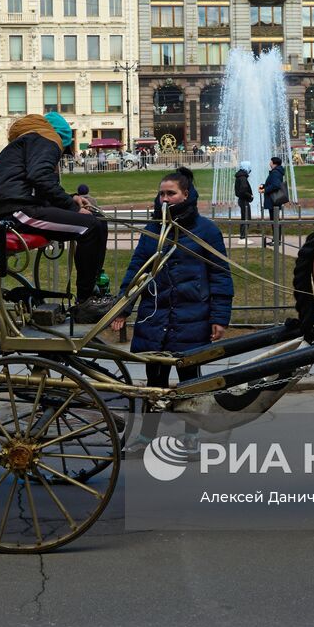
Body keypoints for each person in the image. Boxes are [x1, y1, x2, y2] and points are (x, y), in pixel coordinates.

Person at [112, 169, 233, 455]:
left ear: (186, 195)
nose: (165, 199)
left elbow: (220, 275)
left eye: (171, 193)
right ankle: (146, 437)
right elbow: (136, 272)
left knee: (191, 381)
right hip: (156, 315)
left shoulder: (206, 230)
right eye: (162, 194)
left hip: (193, 316)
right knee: (155, 381)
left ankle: (191, 435)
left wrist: (219, 317)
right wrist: (123, 308)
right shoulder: (153, 229)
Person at [0, 112, 110, 318]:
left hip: (17, 206)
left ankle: (92, 291)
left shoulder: (29, 139)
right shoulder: (48, 138)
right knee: (90, 227)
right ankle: (85, 300)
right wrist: (72, 208)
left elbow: (35, 181)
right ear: (62, 138)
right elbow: (40, 177)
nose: (61, 155)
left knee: (96, 223)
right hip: (19, 210)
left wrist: (70, 200)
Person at [259, 156, 286, 247]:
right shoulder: (277, 172)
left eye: (270, 162)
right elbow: (272, 184)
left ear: (274, 163)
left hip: (273, 200)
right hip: (274, 200)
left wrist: (264, 190)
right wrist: (264, 185)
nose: (269, 164)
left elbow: (275, 185)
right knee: (275, 220)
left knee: (275, 221)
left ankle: (277, 241)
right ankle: (276, 240)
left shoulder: (275, 173)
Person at [234, 161, 254, 242]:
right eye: (249, 167)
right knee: (246, 218)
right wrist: (250, 196)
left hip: (242, 200)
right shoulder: (243, 177)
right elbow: (243, 190)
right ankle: (243, 237)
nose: (250, 169)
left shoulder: (241, 176)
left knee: (245, 218)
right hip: (244, 200)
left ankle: (243, 236)